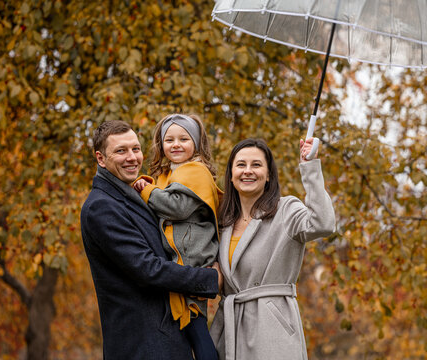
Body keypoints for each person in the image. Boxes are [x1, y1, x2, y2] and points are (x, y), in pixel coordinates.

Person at [80, 120, 221, 360]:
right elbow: (147, 268)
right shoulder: (101, 207)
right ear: (101, 159)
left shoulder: (137, 192)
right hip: (143, 344)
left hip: (166, 339)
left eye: (135, 149)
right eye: (121, 151)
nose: (132, 157)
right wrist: (209, 278)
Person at [209, 138, 335, 360]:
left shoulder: (286, 210)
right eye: (241, 165)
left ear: (268, 175)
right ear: (230, 174)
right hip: (229, 330)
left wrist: (310, 168)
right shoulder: (222, 219)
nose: (248, 171)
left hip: (272, 331)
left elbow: (323, 223)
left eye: (256, 165)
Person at [133, 114, 222, 360]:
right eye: (169, 139)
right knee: (186, 328)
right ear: (161, 144)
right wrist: (150, 185)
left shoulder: (195, 171)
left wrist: (146, 189)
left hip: (192, 258)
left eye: (184, 138)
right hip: (178, 259)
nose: (176, 144)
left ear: (196, 143)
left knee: (195, 325)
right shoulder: (168, 173)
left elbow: (176, 207)